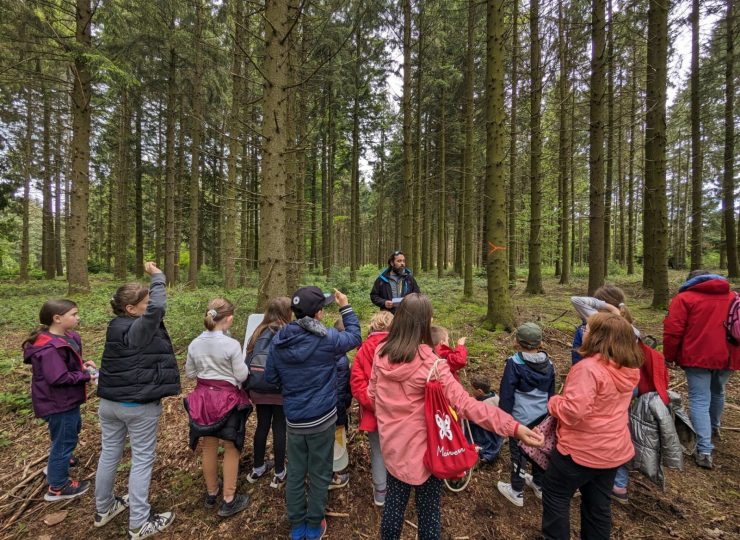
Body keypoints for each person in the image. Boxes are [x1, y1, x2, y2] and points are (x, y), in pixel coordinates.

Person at [369, 293, 544, 540]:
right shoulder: (433, 366)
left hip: (393, 451)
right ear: (424, 325)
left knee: (393, 508)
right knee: (429, 515)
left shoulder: (380, 354)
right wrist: (513, 427)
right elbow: (466, 405)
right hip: (428, 456)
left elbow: (372, 395)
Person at [265, 286, 362, 540]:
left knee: (296, 473)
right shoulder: (326, 338)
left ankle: (297, 526)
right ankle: (314, 523)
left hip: (295, 420)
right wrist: (345, 306)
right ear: (319, 313)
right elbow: (354, 337)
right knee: (319, 473)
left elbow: (271, 376)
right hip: (322, 418)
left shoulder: (279, 339)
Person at [94, 262, 180, 539]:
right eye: (144, 303)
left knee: (109, 453)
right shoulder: (138, 328)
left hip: (110, 403)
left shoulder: (116, 325)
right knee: (142, 460)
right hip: (137, 406)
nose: (149, 305)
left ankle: (104, 508)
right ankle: (139, 523)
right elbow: (158, 310)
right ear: (131, 309)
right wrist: (157, 277)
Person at [542, 312, 642, 540]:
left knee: (556, 494)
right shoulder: (629, 369)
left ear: (599, 336)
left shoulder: (588, 369)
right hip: (613, 450)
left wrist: (554, 402)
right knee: (598, 507)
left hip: (580, 451)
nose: (583, 331)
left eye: (587, 329)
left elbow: (573, 411)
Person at [663, 270, 740, 470]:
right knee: (718, 392)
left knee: (699, 399)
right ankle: (714, 428)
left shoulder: (685, 298)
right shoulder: (732, 296)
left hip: (696, 356)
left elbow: (673, 330)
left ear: (692, 281)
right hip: (728, 355)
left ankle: (704, 450)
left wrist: (669, 356)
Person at [23, 299, 96, 502]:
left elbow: (69, 364)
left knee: (70, 431)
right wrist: (85, 377)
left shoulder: (67, 337)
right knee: (64, 439)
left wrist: (82, 366)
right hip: (57, 402)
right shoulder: (48, 349)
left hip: (66, 400)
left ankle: (61, 460)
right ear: (57, 318)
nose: (78, 318)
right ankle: (57, 486)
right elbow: (58, 377)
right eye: (73, 314)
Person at [184, 298, 251, 517]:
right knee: (231, 447)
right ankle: (229, 499)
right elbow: (241, 375)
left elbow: (190, 374)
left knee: (208, 445)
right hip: (228, 400)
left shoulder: (194, 343)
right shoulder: (231, 345)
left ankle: (212, 492)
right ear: (229, 318)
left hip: (203, 400)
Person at [497, 322, 555, 507]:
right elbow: (551, 394)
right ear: (540, 343)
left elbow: (506, 394)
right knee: (539, 448)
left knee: (519, 453)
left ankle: (516, 491)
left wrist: (503, 419)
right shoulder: (550, 364)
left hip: (520, 419)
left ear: (518, 342)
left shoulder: (514, 364)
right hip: (542, 418)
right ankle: (539, 484)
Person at [244, 296, 292, 489]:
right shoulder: (287, 332)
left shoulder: (258, 331)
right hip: (279, 388)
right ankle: (279, 472)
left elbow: (247, 357)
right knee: (280, 427)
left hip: (258, 387)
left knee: (262, 424)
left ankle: (257, 467)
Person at [350, 310, 393, 507]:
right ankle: (398, 488)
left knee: (378, 451)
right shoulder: (400, 347)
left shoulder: (363, 350)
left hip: (373, 413)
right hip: (399, 413)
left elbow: (357, 384)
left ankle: (381, 492)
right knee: (399, 448)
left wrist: (373, 403)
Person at [570, 285, 635, 364]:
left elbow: (575, 300)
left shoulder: (597, 322)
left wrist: (610, 308)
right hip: (618, 371)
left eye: (596, 301)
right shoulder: (628, 327)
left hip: (590, 369)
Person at [329, 318, 353, 490]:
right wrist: (345, 408)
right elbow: (343, 390)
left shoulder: (323, 351)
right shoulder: (342, 361)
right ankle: (333, 476)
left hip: (322, 409)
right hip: (337, 409)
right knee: (336, 442)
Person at [468, 376, 503, 464]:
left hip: (488, 433)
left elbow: (474, 419)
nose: (471, 391)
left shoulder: (484, 405)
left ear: (480, 391)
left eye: (473, 389)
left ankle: (485, 455)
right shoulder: (495, 396)